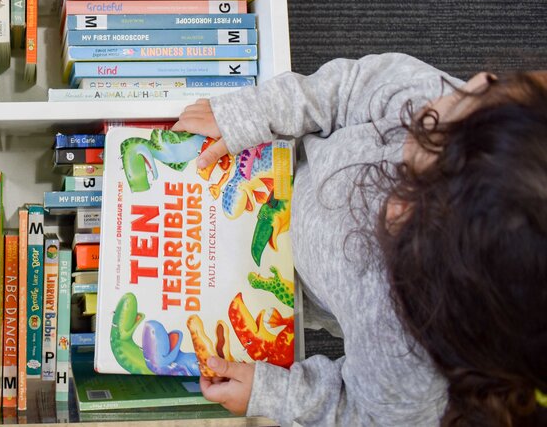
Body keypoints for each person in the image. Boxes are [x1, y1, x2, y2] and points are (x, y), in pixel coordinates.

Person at [170, 52, 546, 427]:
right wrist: (249, 114)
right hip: (274, 172)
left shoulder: (406, 367)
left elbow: (358, 413)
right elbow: (344, 88)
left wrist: (278, 394)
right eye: (495, 85)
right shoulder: (433, 99)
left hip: (287, 289)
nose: (477, 79)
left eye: (434, 139)